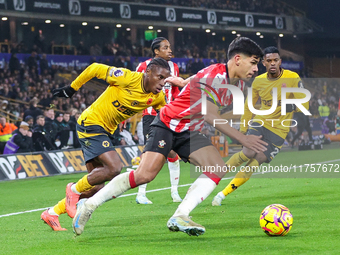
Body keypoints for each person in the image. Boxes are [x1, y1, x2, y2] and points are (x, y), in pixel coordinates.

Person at [72, 37, 267, 236]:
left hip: (189, 131)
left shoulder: (236, 83)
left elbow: (197, 79)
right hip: (167, 123)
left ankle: (180, 215)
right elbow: (210, 115)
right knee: (144, 175)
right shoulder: (215, 76)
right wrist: (243, 139)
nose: (256, 69)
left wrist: (183, 82)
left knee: (217, 167)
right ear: (237, 59)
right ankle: (88, 205)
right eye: (253, 63)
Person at [41, 58, 172, 231]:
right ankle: (73, 189)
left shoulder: (157, 97)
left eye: (165, 79)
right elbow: (94, 68)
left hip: (105, 130)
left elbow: (166, 116)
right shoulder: (126, 78)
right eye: (160, 77)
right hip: (91, 123)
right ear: (147, 72)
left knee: (96, 188)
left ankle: (52, 212)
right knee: (114, 167)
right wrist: (72, 88)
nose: (162, 83)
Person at [212, 46, 309, 206]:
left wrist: (287, 105)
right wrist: (243, 130)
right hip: (260, 122)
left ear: (280, 61)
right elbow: (249, 106)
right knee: (248, 151)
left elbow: (304, 102)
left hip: (279, 131)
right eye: (269, 60)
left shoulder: (292, 77)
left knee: (256, 161)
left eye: (275, 60)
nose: (272, 63)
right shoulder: (258, 81)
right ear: (263, 62)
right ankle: (214, 177)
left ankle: (222, 194)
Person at [135, 37, 182, 204]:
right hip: (150, 114)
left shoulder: (174, 67)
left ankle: (175, 192)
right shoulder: (144, 66)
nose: (170, 50)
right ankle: (141, 193)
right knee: (151, 152)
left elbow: (175, 93)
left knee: (172, 154)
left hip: (168, 114)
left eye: (170, 47)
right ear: (156, 51)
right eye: (166, 47)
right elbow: (134, 89)